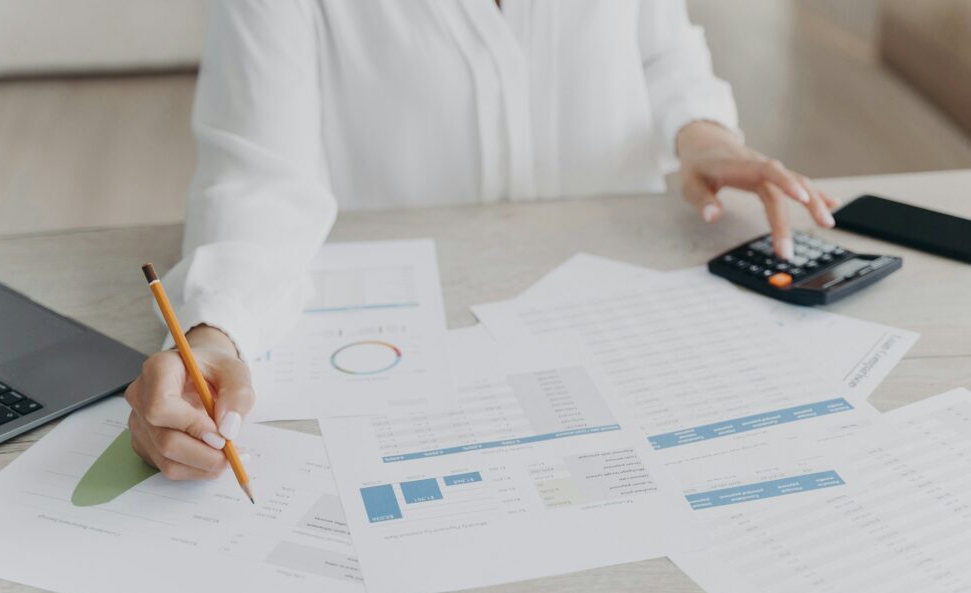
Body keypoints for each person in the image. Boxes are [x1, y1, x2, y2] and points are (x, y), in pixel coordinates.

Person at [125, 0, 839, 480]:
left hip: (616, 308)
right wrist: (216, 333)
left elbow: (662, 51)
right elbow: (261, 174)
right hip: (407, 347)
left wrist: (702, 135)